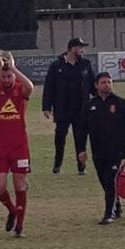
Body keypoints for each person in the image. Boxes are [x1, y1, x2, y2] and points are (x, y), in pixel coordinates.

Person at [0, 51, 34, 237]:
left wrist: (13, 67)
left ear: (13, 75)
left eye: (8, 76)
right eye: (3, 77)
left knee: (20, 184)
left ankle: (19, 227)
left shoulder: (21, 90)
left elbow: (31, 87)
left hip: (20, 145)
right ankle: (12, 210)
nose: (5, 79)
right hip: (0, 146)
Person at [78, 72, 125, 225]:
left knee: (111, 180)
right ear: (97, 85)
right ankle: (116, 207)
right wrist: (81, 149)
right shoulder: (90, 105)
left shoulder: (120, 103)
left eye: (109, 82)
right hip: (98, 151)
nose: (107, 85)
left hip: (116, 151)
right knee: (104, 182)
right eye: (103, 82)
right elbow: (82, 129)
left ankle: (108, 214)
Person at [42, 38, 96, 175]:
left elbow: (92, 85)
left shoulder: (85, 64)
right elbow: (49, 87)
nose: (82, 50)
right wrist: (46, 107)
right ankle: (57, 164)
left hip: (81, 109)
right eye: (80, 47)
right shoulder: (56, 65)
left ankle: (81, 166)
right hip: (63, 109)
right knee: (60, 137)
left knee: (81, 138)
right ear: (72, 48)